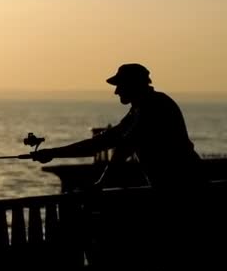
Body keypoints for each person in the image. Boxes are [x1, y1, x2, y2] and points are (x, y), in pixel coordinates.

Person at [31, 63, 205, 189]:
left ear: (133, 85)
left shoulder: (153, 105)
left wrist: (102, 183)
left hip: (185, 187)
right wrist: (53, 153)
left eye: (120, 86)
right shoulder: (140, 108)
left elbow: (124, 147)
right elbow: (105, 141)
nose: (116, 91)